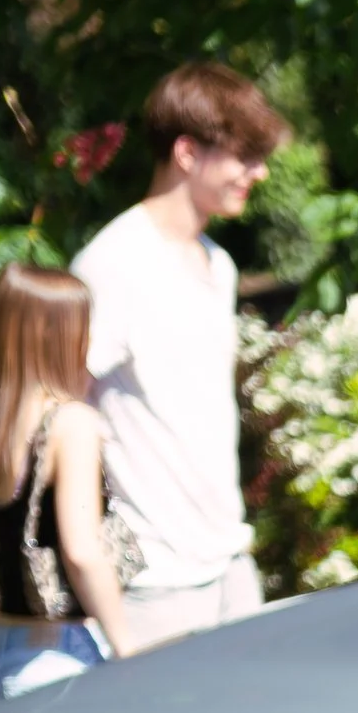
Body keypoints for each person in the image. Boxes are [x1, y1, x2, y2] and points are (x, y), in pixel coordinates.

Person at [73, 59, 287, 649]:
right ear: (188, 153)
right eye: (244, 156)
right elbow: (53, 412)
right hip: (154, 583)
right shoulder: (111, 266)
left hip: (228, 561)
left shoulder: (219, 263)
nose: (260, 173)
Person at [0, 264, 140, 702]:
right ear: (61, 335)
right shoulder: (70, 423)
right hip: (59, 659)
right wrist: (128, 649)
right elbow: (82, 551)